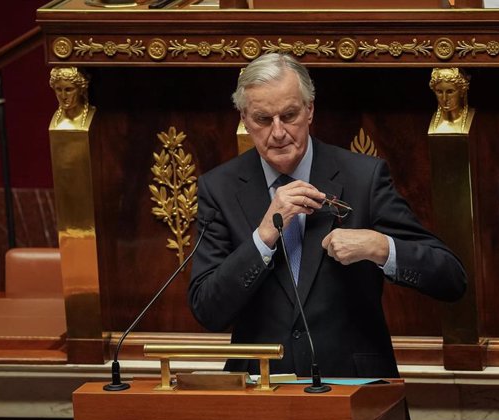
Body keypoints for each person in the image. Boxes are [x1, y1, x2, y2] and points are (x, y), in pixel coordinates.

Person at [188, 53, 467, 380]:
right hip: (259, 392)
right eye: (263, 119)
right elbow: (207, 310)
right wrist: (262, 238)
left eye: (289, 115)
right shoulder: (218, 188)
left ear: (309, 111)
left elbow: (451, 278)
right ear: (245, 118)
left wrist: (381, 247)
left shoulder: (363, 177)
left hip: (354, 385)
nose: (278, 132)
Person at [429, 67, 472, 134]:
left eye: (450, 92)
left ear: (462, 91)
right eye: (439, 92)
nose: (444, 98)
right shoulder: (425, 120)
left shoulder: (477, 121)